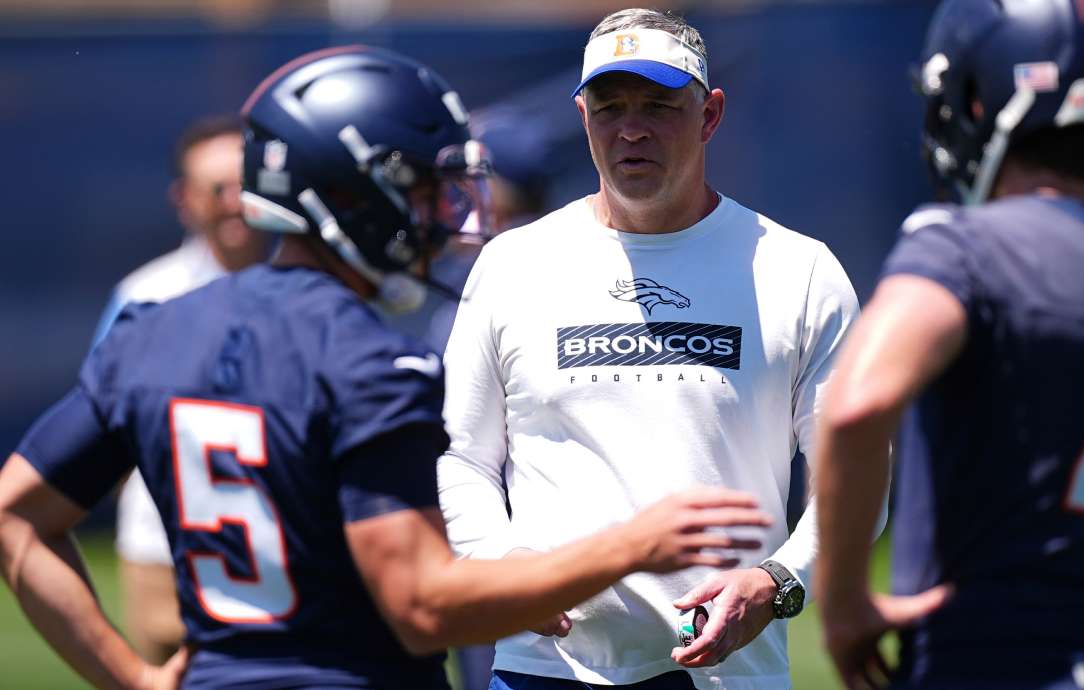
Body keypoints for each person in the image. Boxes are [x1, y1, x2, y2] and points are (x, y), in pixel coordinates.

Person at [0, 46, 772, 690]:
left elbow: (16, 517)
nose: (445, 212)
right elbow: (423, 606)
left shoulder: (151, 332)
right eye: (423, 188)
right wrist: (631, 545)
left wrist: (130, 678)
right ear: (348, 190)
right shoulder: (368, 363)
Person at [437, 9, 859, 689]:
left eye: (660, 105)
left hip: (730, 675)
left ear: (710, 115)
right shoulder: (513, 265)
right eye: (610, 106)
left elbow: (860, 478)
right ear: (583, 115)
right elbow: (460, 456)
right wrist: (505, 565)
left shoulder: (799, 271)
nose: (632, 128)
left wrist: (777, 580)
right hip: (541, 670)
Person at [813, 1, 1084, 688]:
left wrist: (844, 603)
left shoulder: (961, 247)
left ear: (981, 99)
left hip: (979, 662)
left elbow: (858, 406)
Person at [95, 114, 270, 664]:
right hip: (164, 551)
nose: (233, 202)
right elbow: (101, 424)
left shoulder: (313, 288)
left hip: (281, 550)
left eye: (244, 186)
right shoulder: (146, 295)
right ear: (184, 199)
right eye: (216, 188)